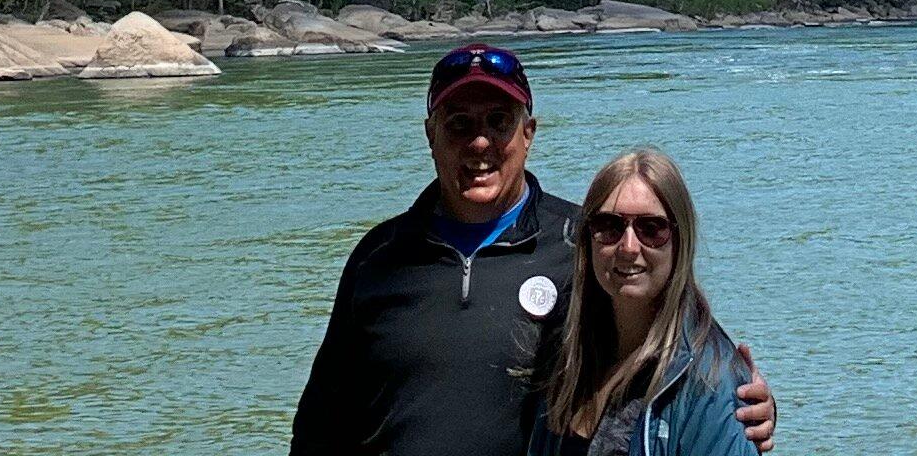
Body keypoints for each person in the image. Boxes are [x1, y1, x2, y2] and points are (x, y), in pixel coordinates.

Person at [290, 45, 776, 456]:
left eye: (499, 122)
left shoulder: (589, 242)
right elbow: (321, 420)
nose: (480, 142)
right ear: (430, 135)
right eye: (459, 124)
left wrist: (747, 405)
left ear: (528, 133)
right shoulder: (381, 257)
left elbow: (679, 339)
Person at [527, 149, 747, 456]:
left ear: (679, 240)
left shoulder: (708, 380)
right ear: (588, 239)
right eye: (609, 226)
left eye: (651, 229)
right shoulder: (567, 355)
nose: (629, 247)